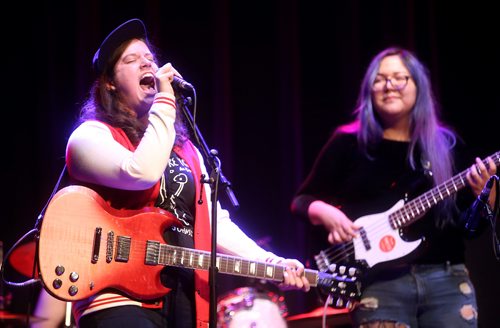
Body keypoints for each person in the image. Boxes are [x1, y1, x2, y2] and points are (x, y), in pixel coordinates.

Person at [57, 18, 310, 328]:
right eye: (132, 60)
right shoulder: (90, 136)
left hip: (181, 293)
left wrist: (271, 262)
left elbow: (214, 224)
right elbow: (141, 172)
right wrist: (165, 101)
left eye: (150, 58)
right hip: (117, 295)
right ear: (109, 82)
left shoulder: (186, 151)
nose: (147, 64)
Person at [290, 46, 497, 327]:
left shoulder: (445, 145)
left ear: (418, 86)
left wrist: (486, 198)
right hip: (378, 285)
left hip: (446, 282)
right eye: (380, 79)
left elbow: (467, 228)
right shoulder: (347, 142)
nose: (390, 86)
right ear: (369, 90)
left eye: (400, 78)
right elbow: (301, 200)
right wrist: (325, 212)